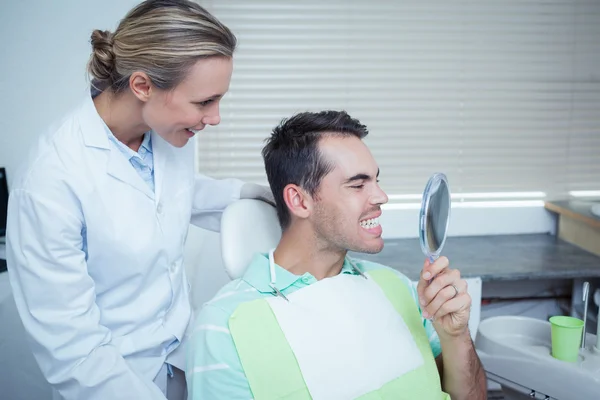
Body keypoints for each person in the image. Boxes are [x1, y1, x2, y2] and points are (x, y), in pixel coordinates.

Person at [5, 1, 272, 399]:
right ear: (143, 85)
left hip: (183, 355)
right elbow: (74, 349)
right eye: (204, 102)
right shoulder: (50, 183)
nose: (215, 117)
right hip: (118, 378)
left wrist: (260, 194)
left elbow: (174, 192)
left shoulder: (164, 131)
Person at [187, 110, 487, 399]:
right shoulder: (224, 327)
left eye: (376, 180)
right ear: (299, 200)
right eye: (358, 184)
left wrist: (456, 337)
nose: (381, 196)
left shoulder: (398, 288)